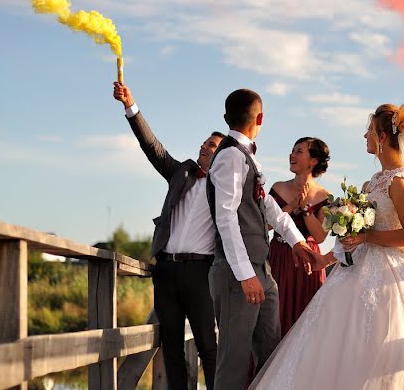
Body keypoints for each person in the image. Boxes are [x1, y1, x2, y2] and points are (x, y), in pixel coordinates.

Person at [248, 104, 404, 390]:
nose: (364, 135)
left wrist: (367, 238)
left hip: (394, 274)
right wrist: (325, 259)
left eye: (368, 130)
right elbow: (356, 237)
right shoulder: (371, 183)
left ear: (380, 137)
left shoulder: (400, 182)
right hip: (357, 270)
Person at [206, 88, 323, 390]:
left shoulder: (246, 156)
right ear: (260, 118)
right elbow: (226, 218)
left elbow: (266, 205)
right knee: (234, 362)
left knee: (272, 354)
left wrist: (297, 242)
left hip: (262, 269)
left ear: (226, 117)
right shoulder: (231, 156)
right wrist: (245, 275)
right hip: (238, 274)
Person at [112, 81, 220, 390]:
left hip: (201, 272)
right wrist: (130, 106)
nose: (204, 147)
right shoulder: (181, 172)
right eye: (204, 143)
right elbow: (152, 146)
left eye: (212, 146)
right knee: (170, 346)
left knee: (207, 348)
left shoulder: (227, 189)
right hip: (166, 271)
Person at [268, 137, 331, 336]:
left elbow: (320, 236)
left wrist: (304, 209)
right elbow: (266, 225)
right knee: (274, 315)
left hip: (308, 261)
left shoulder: (325, 197)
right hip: (278, 256)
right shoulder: (278, 188)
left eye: (299, 151)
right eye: (292, 150)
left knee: (305, 318)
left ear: (313, 161)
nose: (292, 155)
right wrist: (290, 207)